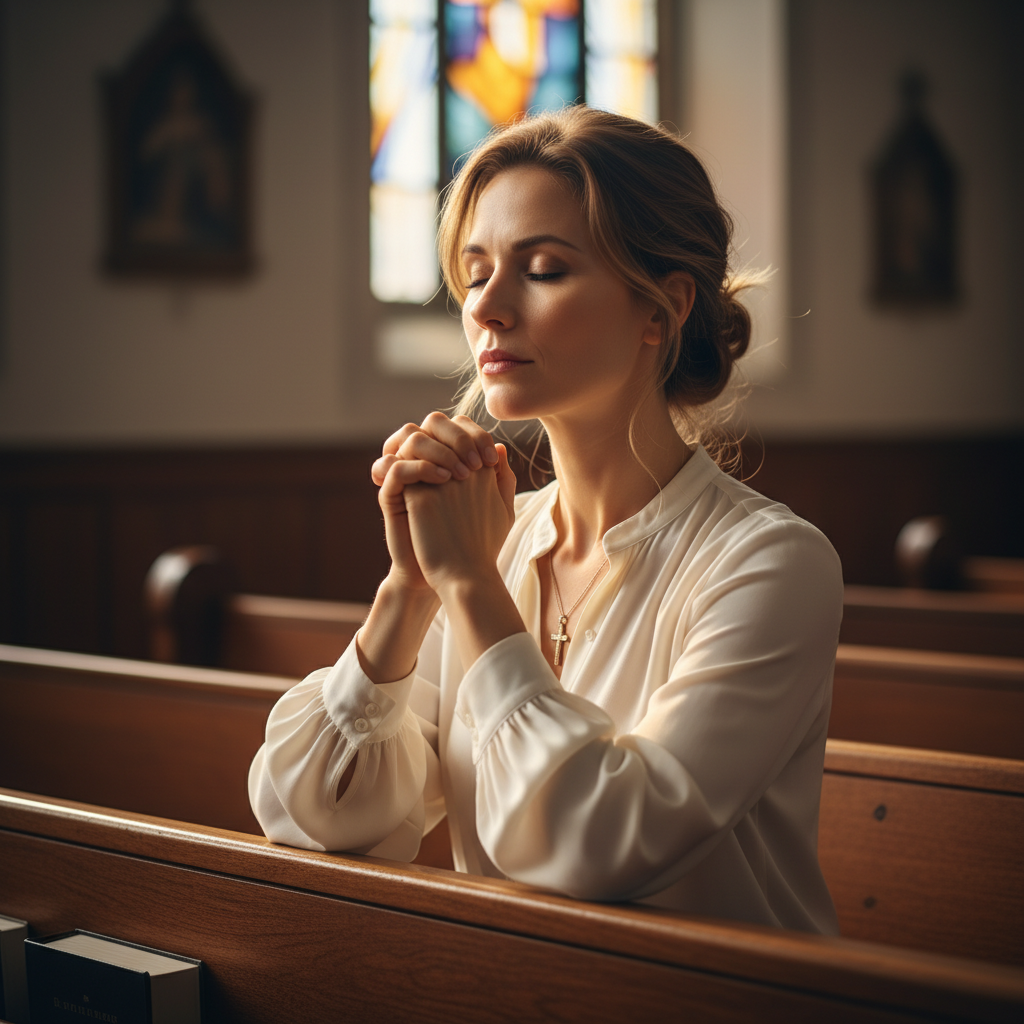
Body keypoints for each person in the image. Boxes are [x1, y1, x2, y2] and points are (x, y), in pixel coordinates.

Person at [249, 106, 842, 933]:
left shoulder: (771, 564)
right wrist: (410, 588)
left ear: (659, 310)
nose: (487, 308)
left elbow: (605, 842)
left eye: (544, 269)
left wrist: (468, 584)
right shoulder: (492, 541)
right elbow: (319, 817)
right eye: (476, 269)